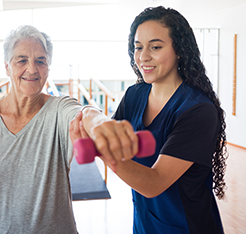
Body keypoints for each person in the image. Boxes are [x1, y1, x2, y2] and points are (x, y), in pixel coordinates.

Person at [70, 6, 227, 234]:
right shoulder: (135, 95)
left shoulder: (198, 110)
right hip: (145, 224)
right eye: (138, 47)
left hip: (188, 227)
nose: (143, 57)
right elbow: (111, 136)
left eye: (155, 47)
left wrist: (100, 149)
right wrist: (92, 122)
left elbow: (154, 183)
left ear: (179, 50)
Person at [0, 25, 99, 234]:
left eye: (41, 61)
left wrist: (100, 122)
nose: (32, 69)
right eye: (22, 60)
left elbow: (82, 113)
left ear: (48, 67)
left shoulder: (59, 110)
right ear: (7, 67)